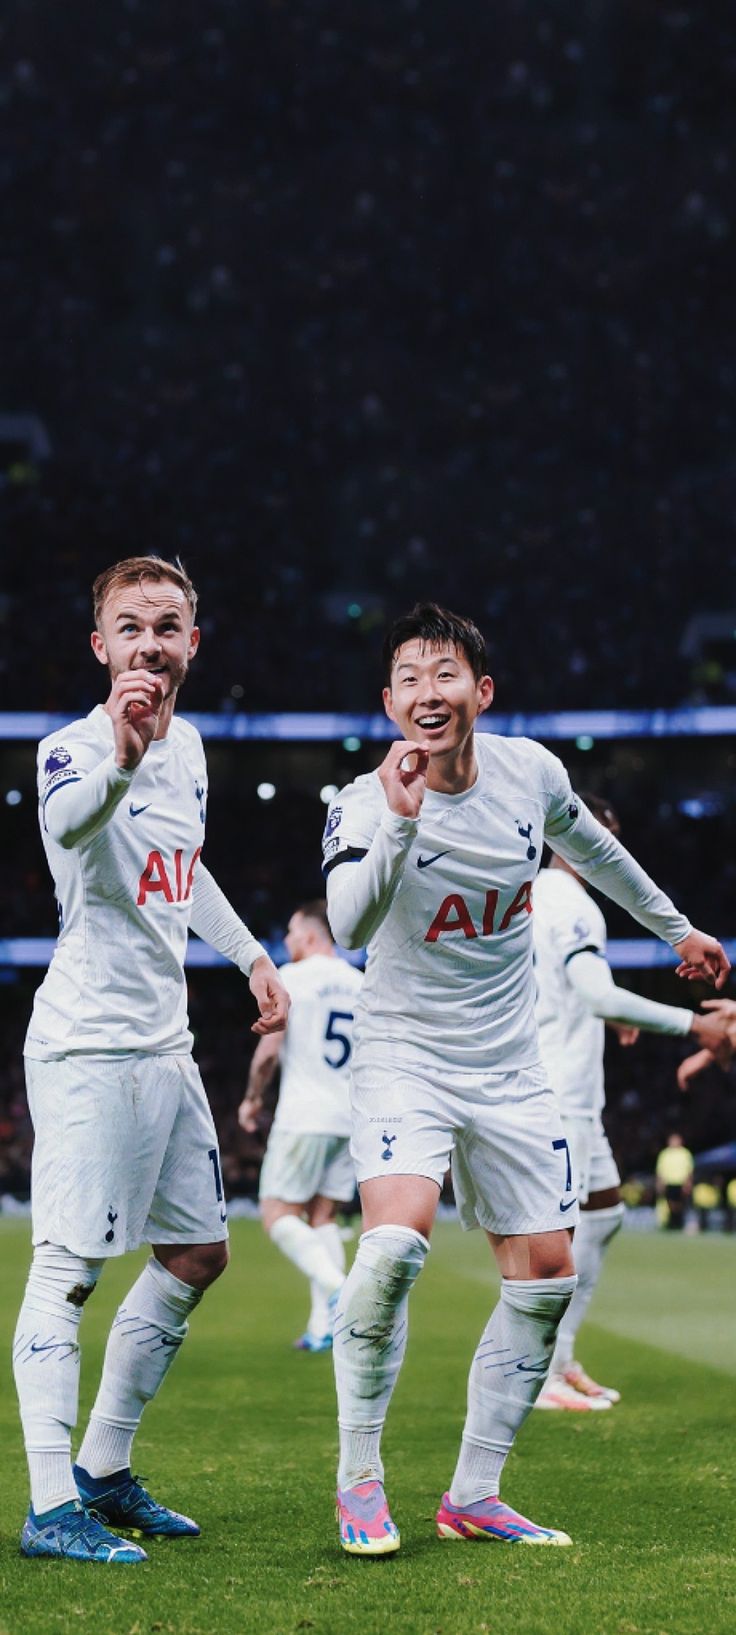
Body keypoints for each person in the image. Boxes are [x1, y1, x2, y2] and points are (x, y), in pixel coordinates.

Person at [321, 601, 729, 1557]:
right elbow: (345, 926)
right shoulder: (361, 797)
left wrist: (678, 930)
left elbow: (595, 850)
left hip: (508, 1062)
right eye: (411, 678)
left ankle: (474, 1493)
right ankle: (360, 1482)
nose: (430, 693)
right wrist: (399, 824)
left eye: (446, 673)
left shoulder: (531, 772)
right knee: (390, 1249)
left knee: (546, 1275)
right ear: (389, 701)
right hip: (405, 1053)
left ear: (482, 690)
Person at [14, 555, 289, 1565]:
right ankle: (50, 1507)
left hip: (165, 1044)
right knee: (67, 1271)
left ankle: (103, 1469)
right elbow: (69, 824)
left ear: (191, 646)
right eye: (130, 628)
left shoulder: (197, 749)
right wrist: (124, 754)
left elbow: (185, 869)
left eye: (167, 627)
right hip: (89, 1047)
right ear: (102, 647)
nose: (149, 645)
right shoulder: (67, 752)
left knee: (196, 1255)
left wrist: (253, 955)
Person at [531, 794, 733, 1412]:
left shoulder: (533, 896)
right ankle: (536, 1376)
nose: (606, 850)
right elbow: (593, 991)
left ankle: (560, 1361)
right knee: (550, 1244)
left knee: (604, 1213)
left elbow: (572, 991)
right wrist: (692, 1027)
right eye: (597, 835)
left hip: (566, 1090)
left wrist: (610, 1012)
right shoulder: (570, 903)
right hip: (554, 1092)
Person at [238, 900, 362, 1350]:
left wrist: (252, 1099)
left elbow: (269, 1052)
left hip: (304, 1114)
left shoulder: (293, 979)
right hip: (348, 1117)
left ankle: (342, 1292)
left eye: (291, 932)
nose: (287, 941)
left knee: (277, 1215)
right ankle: (323, 1328)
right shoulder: (360, 984)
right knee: (323, 1217)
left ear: (311, 937)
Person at [655, 1133, 694, 1229]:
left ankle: (678, 1223)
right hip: (669, 1182)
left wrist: (688, 1183)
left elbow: (689, 1170)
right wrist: (660, 1182)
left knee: (680, 1204)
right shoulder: (664, 1154)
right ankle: (672, 1222)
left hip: (681, 1183)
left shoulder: (685, 1153)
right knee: (670, 1204)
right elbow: (660, 1170)